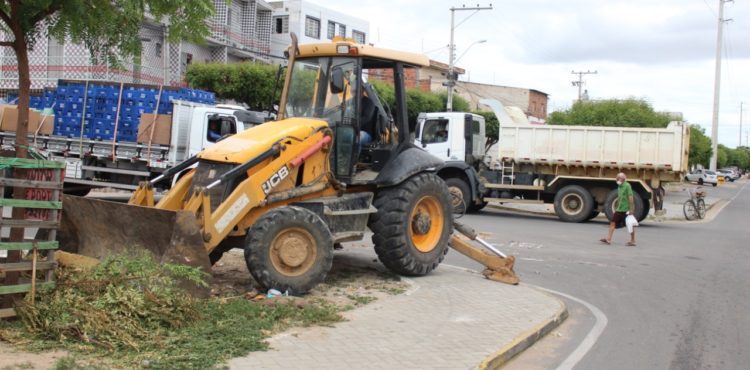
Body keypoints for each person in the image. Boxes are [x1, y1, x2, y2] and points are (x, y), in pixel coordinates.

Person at [600, 172, 636, 246]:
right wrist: (617, 206)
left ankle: (633, 240)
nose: (616, 179)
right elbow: (620, 198)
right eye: (617, 178)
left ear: (623, 179)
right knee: (613, 222)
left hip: (626, 210)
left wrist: (631, 209)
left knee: (630, 225)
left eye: (618, 178)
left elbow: (630, 197)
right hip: (619, 209)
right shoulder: (619, 186)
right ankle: (608, 239)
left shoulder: (627, 185)